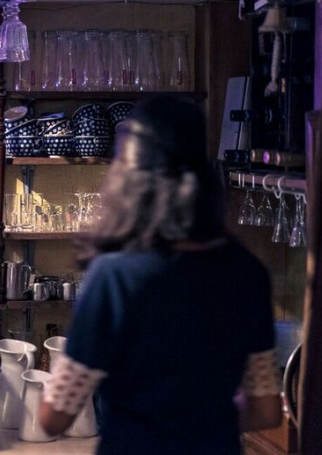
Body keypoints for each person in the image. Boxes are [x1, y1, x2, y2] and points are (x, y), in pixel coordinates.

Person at [37, 96, 282, 454]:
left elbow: (55, 415)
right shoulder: (247, 271)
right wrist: (206, 416)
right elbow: (266, 409)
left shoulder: (115, 276)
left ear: (130, 176)